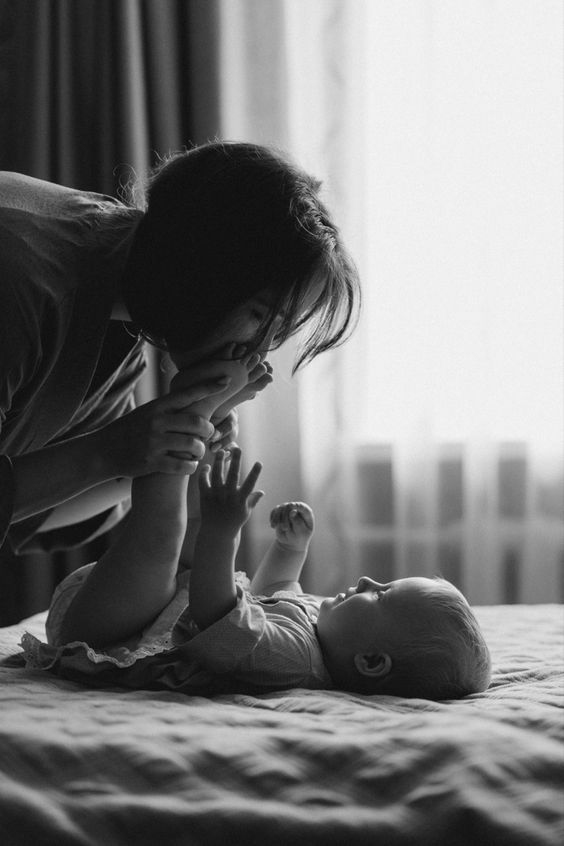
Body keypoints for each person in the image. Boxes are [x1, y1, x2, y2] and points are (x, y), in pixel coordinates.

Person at [0, 140, 360, 560]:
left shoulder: (118, 309)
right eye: (262, 317)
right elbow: (82, 465)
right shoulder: (23, 283)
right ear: (206, 274)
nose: (261, 351)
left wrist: (176, 437)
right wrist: (107, 450)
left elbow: (34, 509)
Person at [22, 412, 492, 701]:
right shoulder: (319, 628)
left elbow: (216, 613)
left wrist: (227, 533)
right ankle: (204, 430)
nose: (369, 580)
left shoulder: (293, 661)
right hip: (141, 605)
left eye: (381, 597)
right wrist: (291, 549)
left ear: (370, 662)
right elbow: (276, 592)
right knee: (185, 527)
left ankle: (189, 418)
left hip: (101, 630)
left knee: (167, 531)